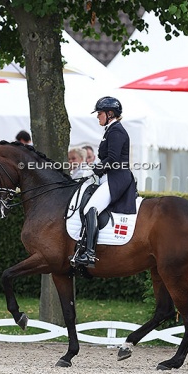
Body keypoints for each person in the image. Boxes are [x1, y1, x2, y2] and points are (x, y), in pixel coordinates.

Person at [74, 96, 137, 268]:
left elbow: (113, 159)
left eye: (100, 113)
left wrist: (94, 170)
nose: (97, 117)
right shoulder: (110, 129)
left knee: (90, 208)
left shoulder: (116, 131)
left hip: (117, 178)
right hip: (109, 177)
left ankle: (89, 254)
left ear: (110, 114)